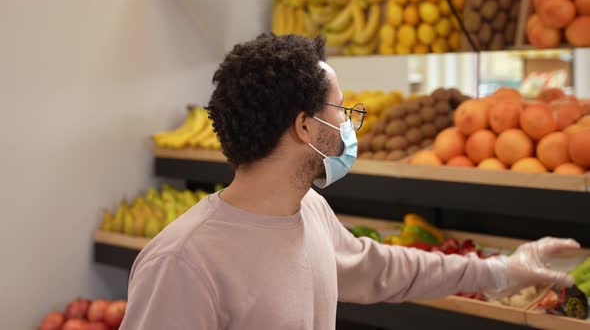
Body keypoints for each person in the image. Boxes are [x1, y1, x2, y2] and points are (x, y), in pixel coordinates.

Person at [120, 34, 579, 330]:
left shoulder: (309, 212)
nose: (349, 124)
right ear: (305, 128)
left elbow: (379, 270)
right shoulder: (183, 262)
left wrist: (501, 270)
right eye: (341, 110)